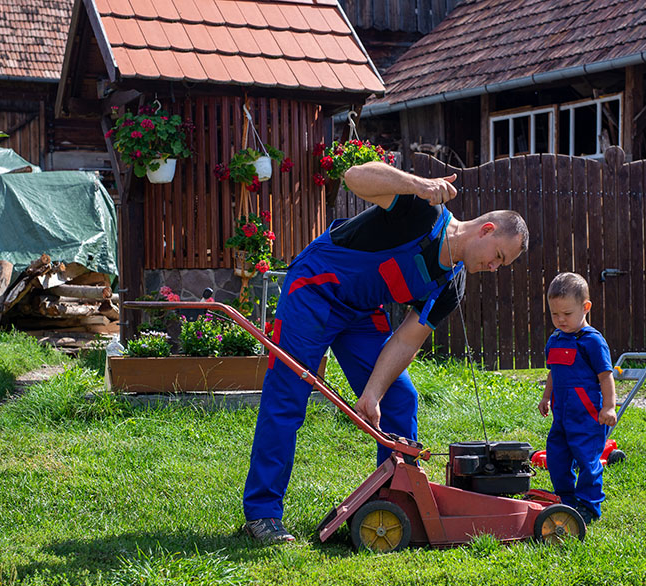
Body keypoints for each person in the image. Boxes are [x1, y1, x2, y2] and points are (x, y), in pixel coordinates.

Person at [242, 160, 529, 543]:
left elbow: (406, 341)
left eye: (501, 265)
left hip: (359, 312)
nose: (494, 267)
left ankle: (391, 506)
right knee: (288, 396)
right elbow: (354, 177)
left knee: (399, 398)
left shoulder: (451, 286)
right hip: (314, 289)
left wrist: (373, 393)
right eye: (499, 257)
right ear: (487, 230)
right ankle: (262, 514)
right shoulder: (423, 212)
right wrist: (418, 185)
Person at [537, 272, 617, 526]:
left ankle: (588, 505)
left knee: (587, 459)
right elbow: (553, 371)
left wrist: (609, 407)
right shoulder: (555, 339)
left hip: (587, 416)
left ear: (586, 307)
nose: (560, 319)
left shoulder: (592, 341)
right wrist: (546, 397)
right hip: (562, 415)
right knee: (556, 457)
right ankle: (565, 498)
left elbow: (606, 376)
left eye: (567, 314)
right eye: (554, 314)